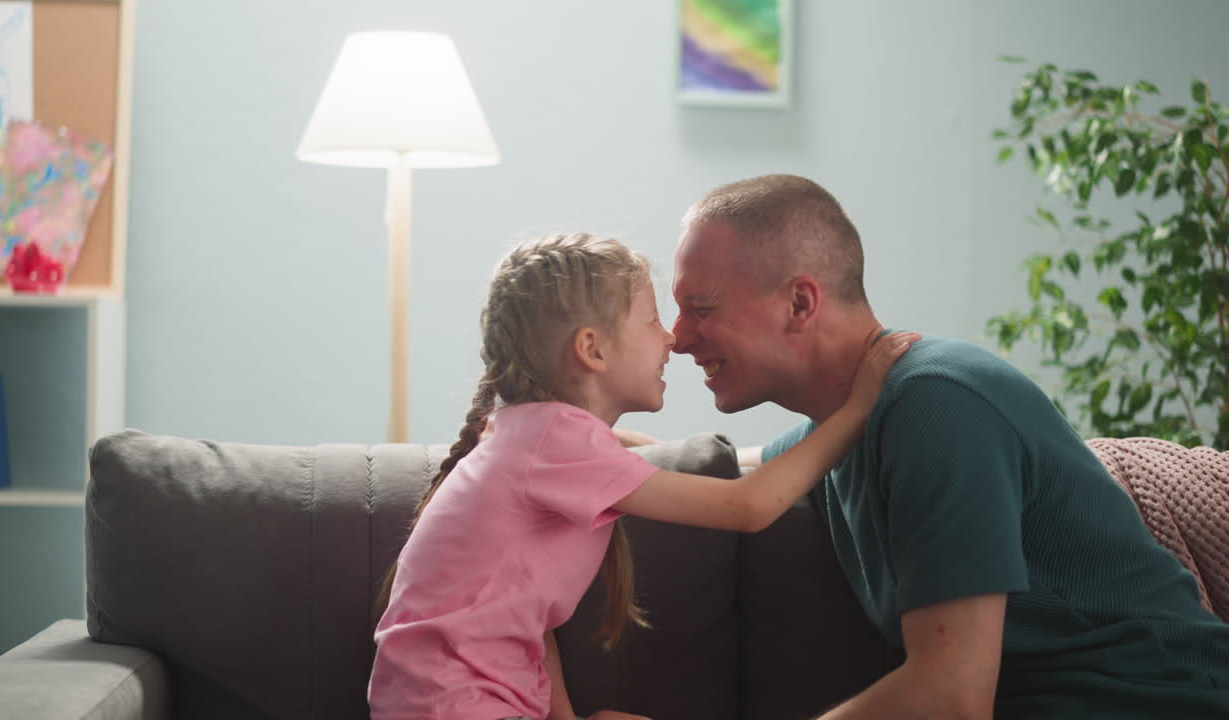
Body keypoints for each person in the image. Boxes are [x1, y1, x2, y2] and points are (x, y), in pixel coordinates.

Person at [669, 173, 1229, 719]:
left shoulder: (935, 405)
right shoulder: (841, 426)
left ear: (799, 303)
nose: (678, 336)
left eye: (701, 307)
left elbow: (950, 698)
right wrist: (586, 437)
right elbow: (716, 470)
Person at [367, 232, 917, 720]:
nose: (672, 340)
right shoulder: (553, 441)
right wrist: (857, 409)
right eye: (652, 320)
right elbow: (748, 507)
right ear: (591, 349)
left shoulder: (531, 436)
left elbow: (528, 629)